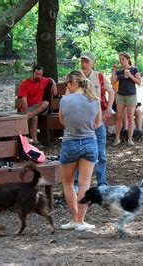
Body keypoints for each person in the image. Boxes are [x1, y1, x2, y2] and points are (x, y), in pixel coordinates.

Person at [59, 70, 101, 231]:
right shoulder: (94, 100)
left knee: (68, 182)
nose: (66, 86)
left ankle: (74, 218)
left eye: (67, 83)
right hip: (90, 143)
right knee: (85, 183)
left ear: (73, 83)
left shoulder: (65, 100)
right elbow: (97, 123)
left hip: (70, 143)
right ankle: (81, 221)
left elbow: (63, 122)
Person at [73, 51, 115, 189]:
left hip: (98, 122)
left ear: (93, 63)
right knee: (80, 152)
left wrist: (109, 109)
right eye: (82, 61)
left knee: (101, 153)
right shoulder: (75, 77)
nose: (84, 64)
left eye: (87, 61)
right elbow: (68, 97)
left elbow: (111, 92)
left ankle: (102, 182)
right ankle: (77, 183)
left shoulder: (99, 77)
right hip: (81, 123)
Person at [18, 65, 57, 146]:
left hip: (37, 108)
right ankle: (35, 142)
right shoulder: (25, 83)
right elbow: (23, 99)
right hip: (27, 108)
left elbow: (50, 79)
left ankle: (31, 115)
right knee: (34, 118)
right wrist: (26, 111)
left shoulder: (43, 80)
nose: (38, 76)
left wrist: (53, 84)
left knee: (46, 103)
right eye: (36, 74)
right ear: (33, 73)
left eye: (40, 74)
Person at [111, 52, 142, 146]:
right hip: (120, 96)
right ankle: (117, 138)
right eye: (120, 59)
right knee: (118, 117)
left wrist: (130, 76)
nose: (121, 61)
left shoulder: (134, 70)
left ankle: (130, 139)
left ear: (127, 59)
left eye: (123, 59)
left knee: (130, 117)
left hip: (131, 96)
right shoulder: (119, 71)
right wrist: (113, 71)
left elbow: (139, 82)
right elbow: (113, 82)